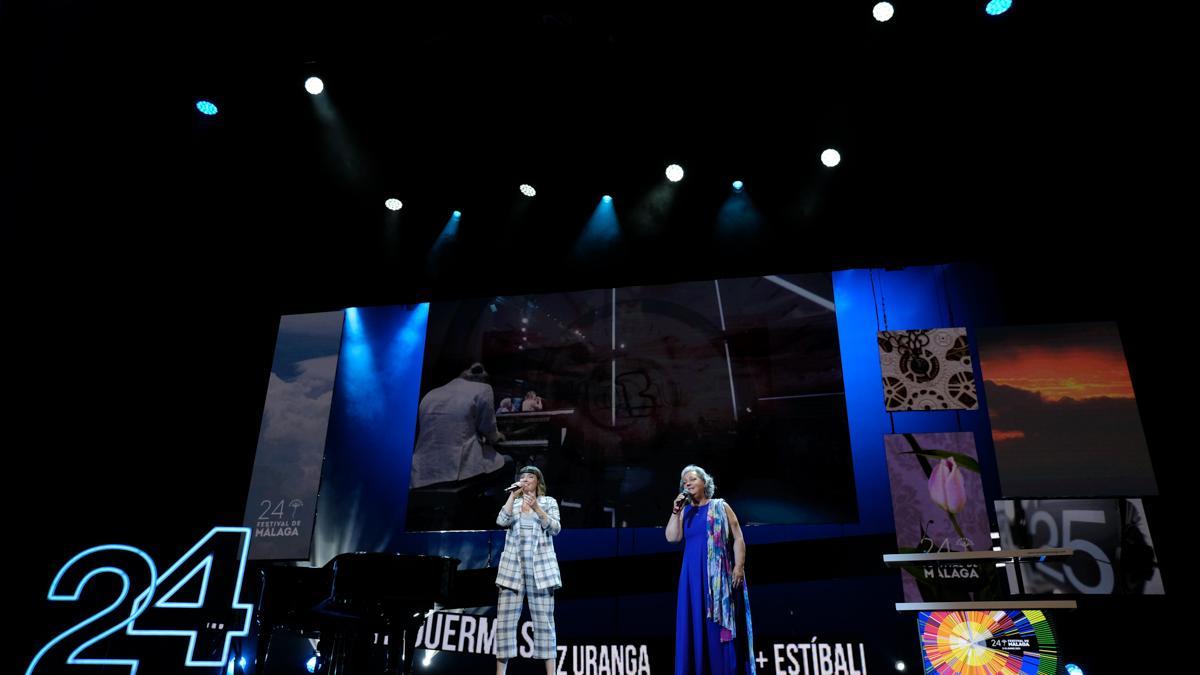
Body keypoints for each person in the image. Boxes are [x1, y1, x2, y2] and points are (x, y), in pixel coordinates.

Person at [665, 465, 755, 675]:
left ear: (705, 483)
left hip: (717, 581)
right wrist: (675, 511)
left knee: (717, 631)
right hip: (692, 579)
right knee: (694, 626)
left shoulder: (720, 507)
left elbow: (738, 537)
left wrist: (739, 567)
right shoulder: (684, 512)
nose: (687, 483)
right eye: (684, 481)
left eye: (692, 479)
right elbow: (672, 537)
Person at [495, 465, 561, 675]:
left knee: (544, 623)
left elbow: (556, 528)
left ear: (537, 482)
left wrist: (537, 509)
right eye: (522, 477)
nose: (525, 480)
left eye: (529, 477)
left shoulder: (548, 502)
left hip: (541, 571)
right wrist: (512, 496)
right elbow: (501, 521)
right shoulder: (513, 504)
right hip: (512, 571)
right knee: (504, 624)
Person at [410, 363, 509, 490]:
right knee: (508, 463)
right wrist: (498, 436)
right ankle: (495, 509)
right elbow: (489, 431)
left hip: (422, 473)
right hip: (456, 471)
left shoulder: (431, 394)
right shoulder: (483, 388)